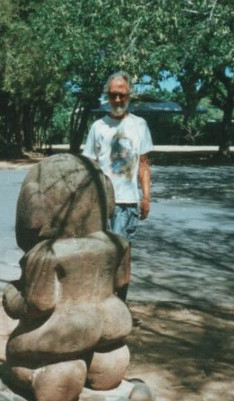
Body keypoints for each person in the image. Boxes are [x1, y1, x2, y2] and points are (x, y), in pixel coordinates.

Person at [83, 71, 153, 301]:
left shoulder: (139, 125)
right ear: (107, 96)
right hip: (102, 204)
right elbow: (89, 167)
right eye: (113, 95)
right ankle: (100, 304)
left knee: (123, 256)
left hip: (128, 203)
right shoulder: (98, 127)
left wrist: (146, 197)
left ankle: (120, 306)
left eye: (122, 95)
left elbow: (143, 164)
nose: (117, 100)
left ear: (129, 95)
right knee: (101, 255)